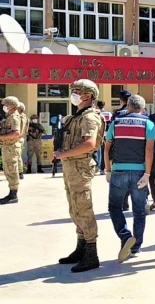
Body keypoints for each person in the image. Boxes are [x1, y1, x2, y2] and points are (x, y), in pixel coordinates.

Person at [53, 79, 105, 273]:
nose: (74, 94)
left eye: (78, 91)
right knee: (74, 208)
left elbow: (89, 144)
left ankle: (91, 253)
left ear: (88, 95)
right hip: (71, 166)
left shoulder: (90, 117)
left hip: (80, 166)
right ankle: (81, 248)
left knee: (83, 207)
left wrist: (63, 154)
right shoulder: (76, 117)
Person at [103, 95, 155, 261]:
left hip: (118, 170)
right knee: (139, 211)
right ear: (142, 108)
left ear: (128, 107)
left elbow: (107, 148)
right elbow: (149, 150)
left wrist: (108, 169)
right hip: (140, 171)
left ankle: (125, 236)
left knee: (114, 207)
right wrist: (147, 174)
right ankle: (135, 247)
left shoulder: (116, 122)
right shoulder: (148, 124)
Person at [0, 96, 22, 204]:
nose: (5, 106)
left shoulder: (14, 117)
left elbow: (16, 133)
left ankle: (13, 195)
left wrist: (1, 137)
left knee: (11, 169)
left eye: (6, 104)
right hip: (7, 146)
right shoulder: (9, 117)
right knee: (8, 170)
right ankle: (11, 193)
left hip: (11, 147)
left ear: (12, 105)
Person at [97, 101, 113, 176]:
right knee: (107, 151)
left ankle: (101, 168)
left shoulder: (97, 114)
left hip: (99, 135)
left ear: (97, 106)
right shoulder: (109, 114)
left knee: (100, 152)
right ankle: (108, 168)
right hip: (107, 135)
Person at [16, 102, 27, 179]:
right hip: (19, 138)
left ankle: (20, 172)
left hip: (18, 138)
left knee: (17, 155)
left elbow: (19, 129)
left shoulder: (21, 117)